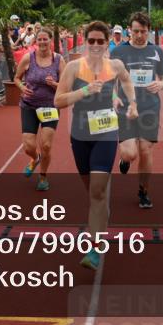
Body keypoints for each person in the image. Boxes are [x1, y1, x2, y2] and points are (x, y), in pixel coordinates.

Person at [54, 20, 138, 270]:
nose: (96, 45)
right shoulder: (73, 67)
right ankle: (101, 214)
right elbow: (58, 100)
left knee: (98, 192)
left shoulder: (115, 65)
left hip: (106, 132)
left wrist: (132, 102)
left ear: (107, 42)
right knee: (92, 192)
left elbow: (127, 81)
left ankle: (94, 248)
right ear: (85, 41)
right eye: (91, 40)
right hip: (80, 135)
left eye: (101, 41)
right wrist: (84, 91)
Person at [112, 12, 163, 209]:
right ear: (129, 30)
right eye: (135, 31)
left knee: (146, 150)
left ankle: (143, 191)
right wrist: (114, 96)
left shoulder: (156, 51)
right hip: (126, 109)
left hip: (150, 107)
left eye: (143, 31)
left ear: (149, 31)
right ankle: (125, 160)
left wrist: (161, 84)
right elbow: (109, 79)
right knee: (130, 154)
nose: (139, 35)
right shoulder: (119, 51)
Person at [14, 27, 65, 191]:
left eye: (45, 39)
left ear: (51, 41)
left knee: (46, 145)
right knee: (28, 146)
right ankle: (35, 158)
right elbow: (16, 78)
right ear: (36, 41)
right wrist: (22, 88)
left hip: (50, 106)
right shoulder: (28, 58)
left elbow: (66, 86)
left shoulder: (58, 60)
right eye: (40, 39)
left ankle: (43, 176)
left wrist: (54, 84)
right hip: (29, 105)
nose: (42, 42)